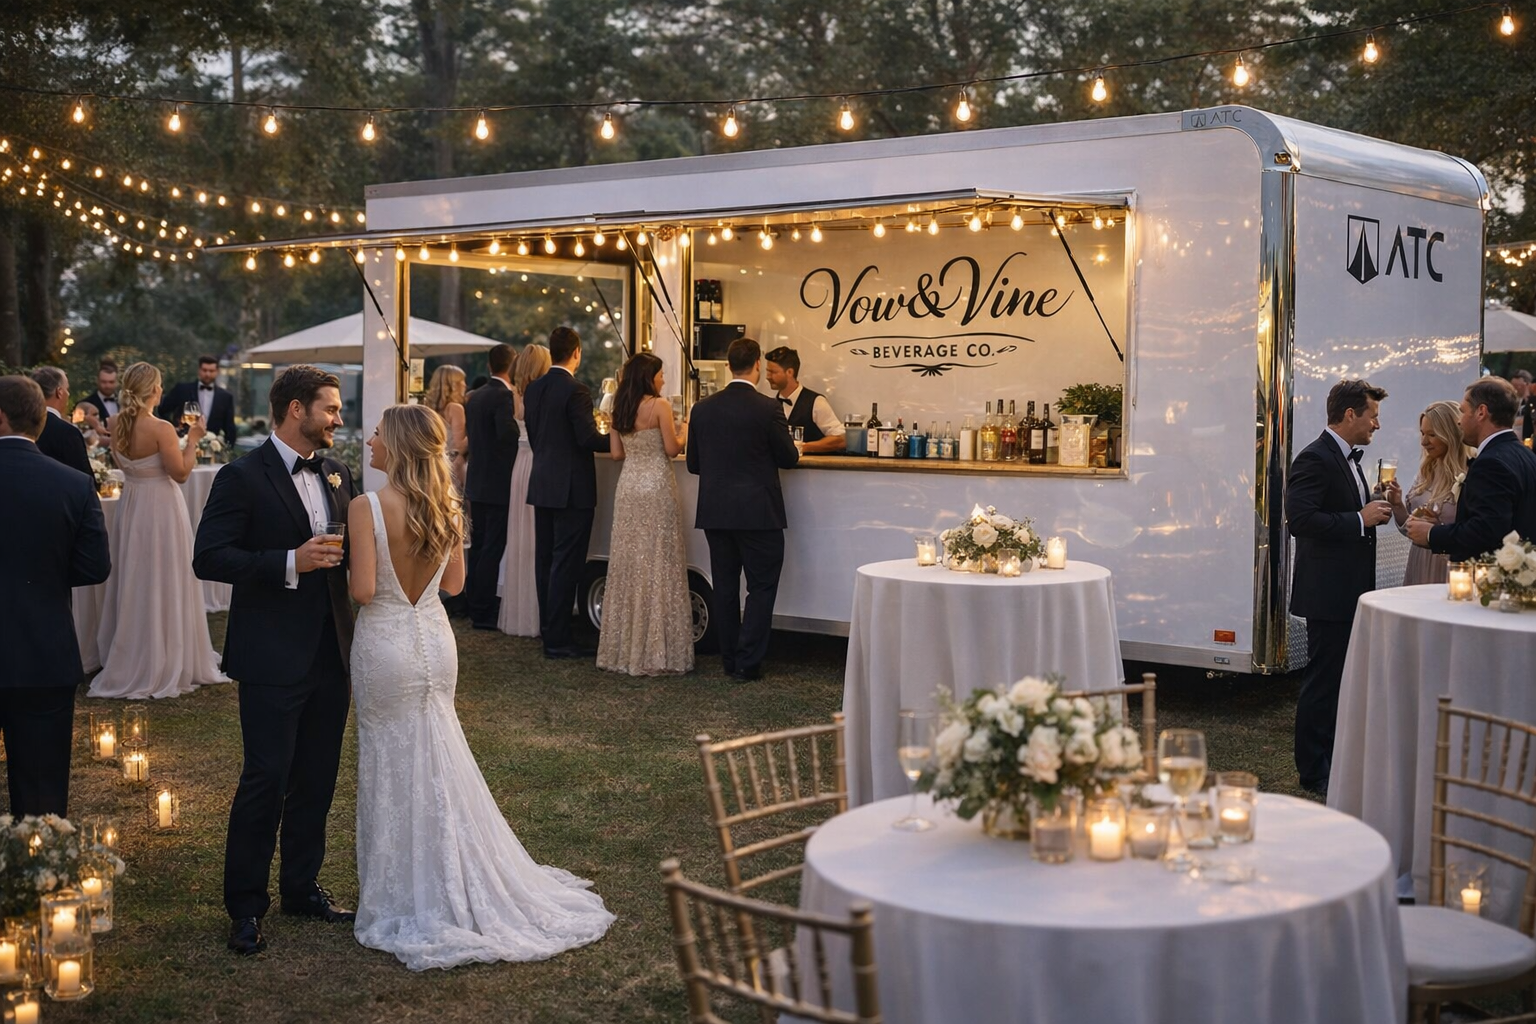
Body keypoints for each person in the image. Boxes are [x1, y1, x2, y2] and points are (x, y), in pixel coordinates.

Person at [348, 404, 614, 970]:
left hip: (387, 647)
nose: (369, 440)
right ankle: (450, 875)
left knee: (393, 761)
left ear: (395, 445)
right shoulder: (444, 504)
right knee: (437, 756)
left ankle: (405, 889)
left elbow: (366, 591)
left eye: (376, 433)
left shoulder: (365, 507)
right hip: (435, 643)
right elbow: (457, 582)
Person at [192, 365, 356, 956]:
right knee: (266, 779)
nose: (339, 418)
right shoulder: (241, 477)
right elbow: (209, 557)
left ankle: (301, 887)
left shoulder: (338, 472)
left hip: (331, 653)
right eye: (331, 409)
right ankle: (245, 906)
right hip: (269, 654)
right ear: (295, 410)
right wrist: (289, 562)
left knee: (316, 778)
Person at [0, 376, 109, 815]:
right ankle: (41, 870)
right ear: (43, 419)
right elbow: (94, 568)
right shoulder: (73, 484)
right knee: (42, 790)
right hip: (44, 650)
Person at [90, 362, 229, 700]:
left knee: (135, 576)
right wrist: (193, 440)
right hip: (162, 509)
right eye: (160, 385)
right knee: (164, 575)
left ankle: (132, 649)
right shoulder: (161, 428)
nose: (162, 390)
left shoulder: (114, 423)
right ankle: (165, 653)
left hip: (132, 505)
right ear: (153, 390)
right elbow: (180, 473)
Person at [1286, 379, 1392, 796]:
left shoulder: (1346, 457)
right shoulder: (1315, 458)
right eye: (1373, 416)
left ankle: (1334, 758)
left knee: (1340, 680)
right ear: (1351, 415)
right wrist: (1358, 520)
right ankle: (1313, 771)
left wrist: (1370, 506)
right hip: (1327, 593)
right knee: (1323, 681)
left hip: (1349, 589)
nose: (1376, 425)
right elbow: (1301, 521)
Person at [686, 337, 799, 681]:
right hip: (757, 513)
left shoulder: (702, 409)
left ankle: (729, 658)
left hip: (716, 510)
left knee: (724, 585)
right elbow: (788, 458)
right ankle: (748, 662)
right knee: (761, 587)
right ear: (757, 366)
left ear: (727, 366)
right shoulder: (768, 408)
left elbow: (693, 464)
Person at [597, 352, 694, 676]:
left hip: (629, 489)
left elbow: (615, 454)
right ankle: (657, 651)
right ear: (649, 377)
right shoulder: (660, 406)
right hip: (656, 488)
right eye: (661, 374)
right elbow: (672, 449)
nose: (664, 379)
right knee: (659, 563)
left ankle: (624, 650)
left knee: (628, 564)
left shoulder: (618, 407)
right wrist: (685, 430)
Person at [525, 327, 611, 659]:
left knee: (545, 561)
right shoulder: (576, 390)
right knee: (566, 563)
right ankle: (559, 639)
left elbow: (536, 437)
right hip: (571, 489)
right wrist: (618, 439)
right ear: (576, 352)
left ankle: (551, 631)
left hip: (543, 482)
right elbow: (587, 438)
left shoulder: (534, 389)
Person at [1407, 377, 1536, 559]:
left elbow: (1486, 531)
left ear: (1481, 412)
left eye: (1462, 412)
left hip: (1492, 579)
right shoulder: (1527, 455)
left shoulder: (1490, 463)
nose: (1459, 422)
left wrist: (1431, 534)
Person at [463, 345, 519, 629]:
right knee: (492, 547)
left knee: (480, 545)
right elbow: (506, 434)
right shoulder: (503, 396)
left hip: (477, 479)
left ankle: (475, 603)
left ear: (489, 365)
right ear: (512, 366)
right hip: (498, 482)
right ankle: (483, 611)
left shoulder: (476, 396)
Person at [498, 344, 550, 637]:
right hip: (534, 462)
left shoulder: (516, 394)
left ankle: (521, 612)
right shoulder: (539, 396)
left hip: (520, 464)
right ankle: (536, 613)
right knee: (533, 539)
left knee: (520, 536)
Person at [1386, 400, 1469, 585]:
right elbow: (1411, 527)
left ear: (1450, 434)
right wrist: (1397, 505)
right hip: (1419, 559)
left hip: (1449, 566)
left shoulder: (1471, 473)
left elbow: (1474, 528)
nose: (1424, 442)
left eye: (1432, 435)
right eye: (1422, 434)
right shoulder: (1426, 471)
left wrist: (1438, 529)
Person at [764, 345, 846, 454]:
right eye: (767, 371)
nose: (767, 376)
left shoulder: (816, 402)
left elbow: (840, 439)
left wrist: (804, 447)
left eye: (773, 372)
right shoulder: (770, 405)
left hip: (812, 470)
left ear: (789, 372)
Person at [158, 355, 236, 446]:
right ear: (199, 370)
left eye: (211, 371)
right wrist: (172, 429)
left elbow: (230, 428)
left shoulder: (225, 397)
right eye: (204, 370)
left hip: (211, 447)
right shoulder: (182, 390)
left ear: (217, 372)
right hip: (182, 444)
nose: (207, 374)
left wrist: (227, 450)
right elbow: (162, 410)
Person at [30, 367, 91, 476]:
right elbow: (85, 480)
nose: (68, 394)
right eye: (67, 389)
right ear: (59, 392)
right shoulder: (68, 432)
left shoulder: (20, 424)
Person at [423, 365, 470, 491]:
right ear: (453, 385)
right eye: (462, 381)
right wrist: (476, 431)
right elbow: (459, 445)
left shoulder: (425, 407)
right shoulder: (455, 408)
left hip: (430, 465)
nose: (465, 385)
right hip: (451, 465)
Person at [78, 359, 120, 440]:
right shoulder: (85, 404)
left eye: (111, 382)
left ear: (117, 382)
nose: (107, 386)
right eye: (104, 382)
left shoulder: (124, 403)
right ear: (97, 380)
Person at [1513, 369, 1535, 443]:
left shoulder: (1531, 403)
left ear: (1527, 384)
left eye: (1517, 386)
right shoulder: (1515, 403)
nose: (1514, 389)